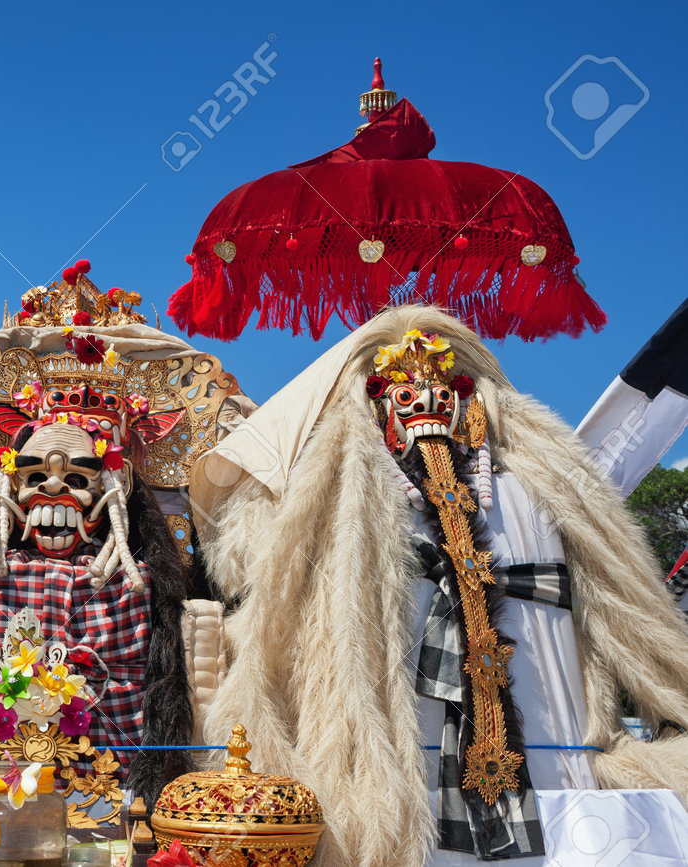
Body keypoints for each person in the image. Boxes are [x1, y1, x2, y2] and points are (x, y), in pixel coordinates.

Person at [191, 306, 688, 866]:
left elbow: (622, 606)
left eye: (444, 391)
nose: (426, 402)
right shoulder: (352, 505)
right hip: (402, 775)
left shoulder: (530, 494)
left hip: (556, 767)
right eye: (401, 396)